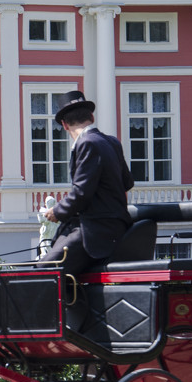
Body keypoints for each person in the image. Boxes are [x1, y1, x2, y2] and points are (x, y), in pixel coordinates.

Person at [39, 91, 134, 276]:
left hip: (96, 231)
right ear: (91, 117)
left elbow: (81, 192)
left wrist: (57, 211)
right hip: (116, 226)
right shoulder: (112, 142)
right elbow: (127, 182)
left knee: (46, 272)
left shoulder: (87, 143)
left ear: (64, 125)